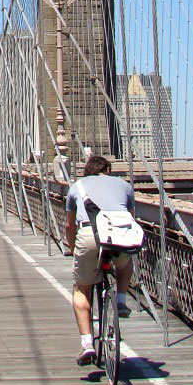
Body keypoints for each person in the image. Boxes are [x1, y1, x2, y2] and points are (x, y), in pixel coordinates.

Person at [65, 154, 135, 366]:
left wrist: (73, 248)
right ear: (108, 171)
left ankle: (87, 344)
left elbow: (70, 227)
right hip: (118, 235)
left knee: (81, 289)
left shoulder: (77, 186)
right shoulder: (124, 185)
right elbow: (131, 217)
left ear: (87, 171)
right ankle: (121, 300)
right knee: (125, 263)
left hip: (89, 236)